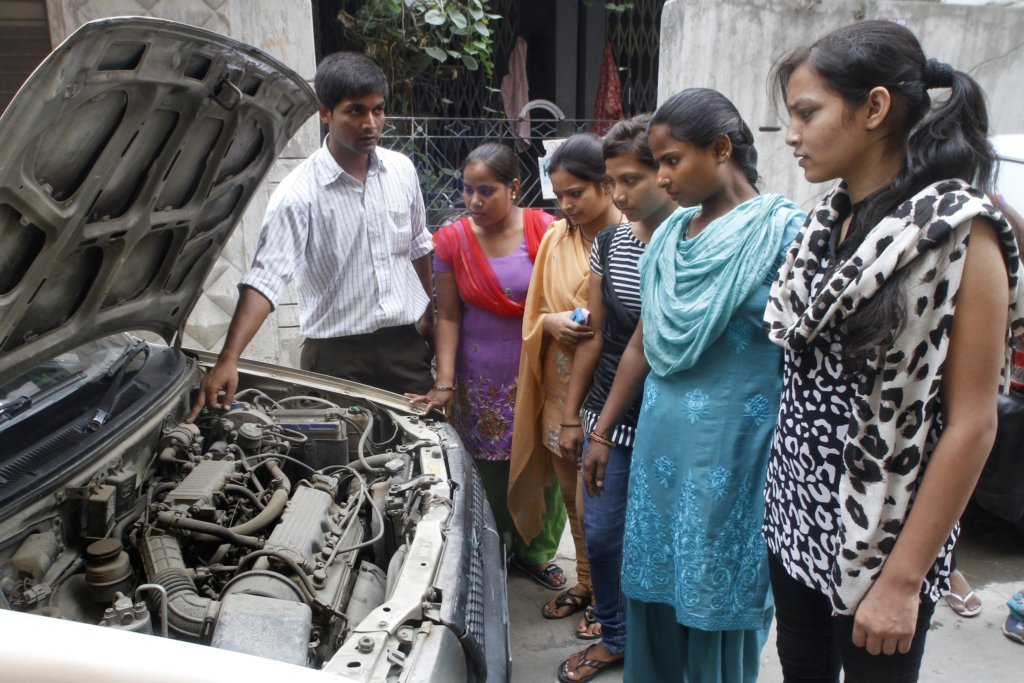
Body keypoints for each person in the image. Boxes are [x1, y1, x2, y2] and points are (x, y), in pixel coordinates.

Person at [763, 20, 1023, 682]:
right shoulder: (829, 222)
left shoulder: (960, 234)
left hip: (883, 542)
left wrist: (903, 581)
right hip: (795, 518)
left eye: (807, 112)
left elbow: (973, 422)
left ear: (875, 107)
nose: (791, 133)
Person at [582, 89, 805, 683]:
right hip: (660, 444)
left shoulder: (786, 235)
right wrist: (602, 431)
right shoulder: (669, 239)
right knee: (655, 583)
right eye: (656, 163)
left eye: (671, 160)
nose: (662, 177)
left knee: (715, 588)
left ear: (722, 149)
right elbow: (641, 344)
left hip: (738, 448)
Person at [188, 52, 434, 421]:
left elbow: (418, 245)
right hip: (336, 360)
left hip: (406, 348)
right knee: (343, 462)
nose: (370, 123)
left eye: (378, 110)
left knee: (426, 460)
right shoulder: (297, 193)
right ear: (325, 113)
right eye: (355, 111)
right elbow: (266, 279)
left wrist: (430, 310)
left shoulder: (401, 171)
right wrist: (229, 358)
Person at [555, 115, 677, 682]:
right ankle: (614, 634)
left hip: (672, 415)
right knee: (600, 535)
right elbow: (598, 335)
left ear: (667, 175)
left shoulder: (691, 242)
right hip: (611, 412)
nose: (620, 195)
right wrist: (573, 415)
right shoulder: (611, 241)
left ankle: (661, 646)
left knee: (662, 543)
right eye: (614, 181)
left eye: (632, 180)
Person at [405, 143, 563, 583]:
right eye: (468, 190)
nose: (474, 201)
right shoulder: (452, 240)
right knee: (488, 468)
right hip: (480, 378)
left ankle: (537, 553)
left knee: (541, 465)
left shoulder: (546, 231)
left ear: (514, 187)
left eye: (486, 191)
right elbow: (449, 316)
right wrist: (446, 381)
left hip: (536, 372)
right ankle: (492, 550)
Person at [508, 133, 623, 637]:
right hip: (559, 393)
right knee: (573, 499)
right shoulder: (557, 237)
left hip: (607, 394)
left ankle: (610, 599)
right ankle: (585, 583)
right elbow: (536, 311)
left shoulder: (629, 240)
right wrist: (550, 324)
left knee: (601, 505)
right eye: (559, 195)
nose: (567, 205)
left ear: (607, 185)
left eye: (577, 192)